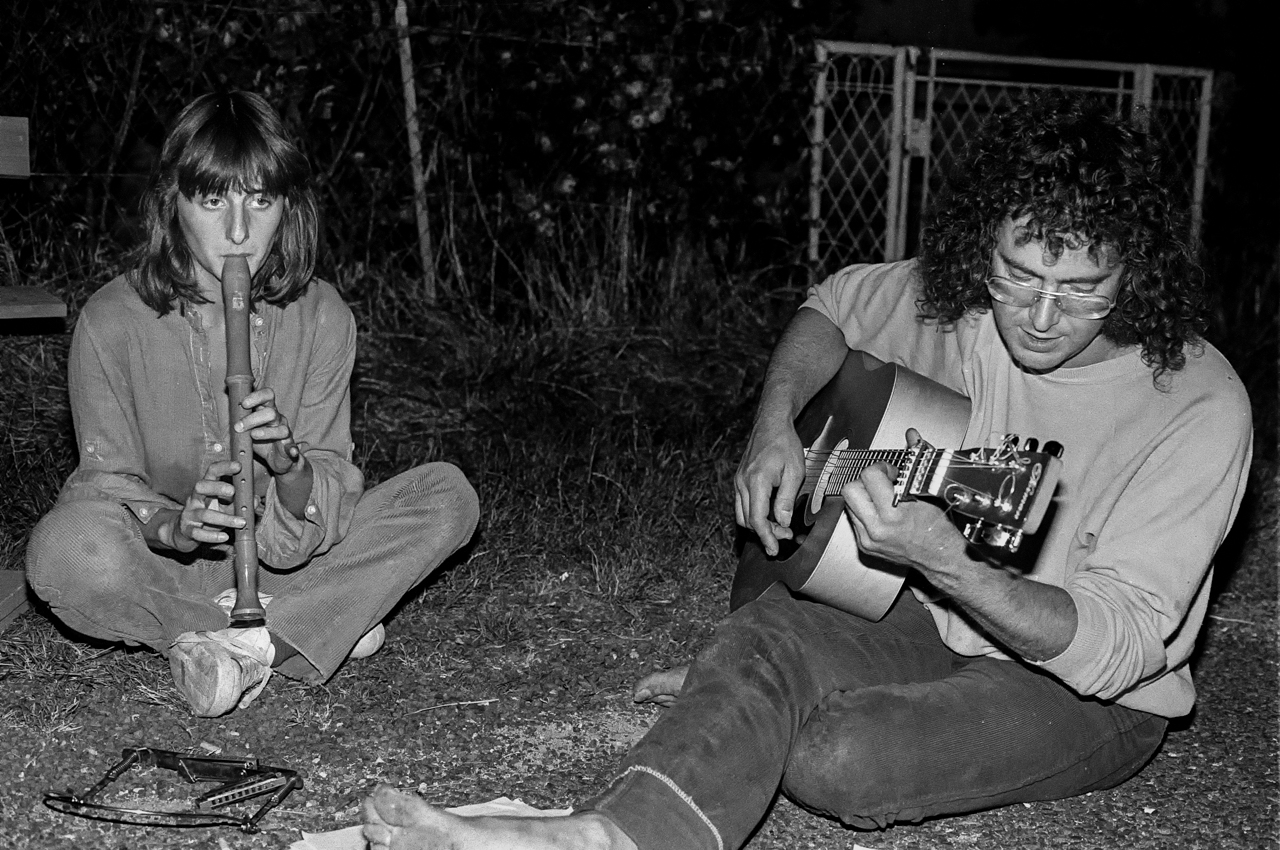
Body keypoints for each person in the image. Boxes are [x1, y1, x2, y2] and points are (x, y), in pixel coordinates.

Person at [359, 92, 1253, 850]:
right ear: (988, 247)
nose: (1042, 315)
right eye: (1018, 277)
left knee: (838, 758)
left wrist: (948, 563)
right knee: (757, 638)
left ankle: (762, 710)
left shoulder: (1198, 406)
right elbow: (832, 307)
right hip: (936, 617)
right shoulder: (972, 308)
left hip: (1088, 690)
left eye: (1081, 290)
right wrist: (774, 426)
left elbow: (1121, 642)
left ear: (1134, 273)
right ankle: (598, 835)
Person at [26, 90, 480, 719]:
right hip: (174, 571)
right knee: (64, 551)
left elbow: (329, 489)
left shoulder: (322, 316)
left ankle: (247, 644)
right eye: (212, 201)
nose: (238, 231)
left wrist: (290, 469)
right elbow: (104, 487)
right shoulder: (112, 321)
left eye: (260, 201)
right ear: (173, 202)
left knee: (447, 495)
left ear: (286, 206)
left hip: (291, 562)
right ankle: (304, 628)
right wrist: (175, 526)